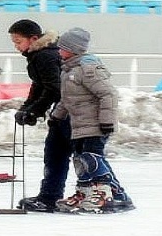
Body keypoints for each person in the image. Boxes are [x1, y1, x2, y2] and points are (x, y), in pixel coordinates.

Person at [50, 27, 134, 213]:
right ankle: (86, 192)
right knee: (80, 159)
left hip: (95, 124)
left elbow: (108, 94)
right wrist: (57, 116)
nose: (58, 50)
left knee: (92, 157)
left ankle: (105, 193)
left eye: (62, 47)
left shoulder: (88, 69)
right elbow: (67, 99)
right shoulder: (68, 70)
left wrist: (106, 121)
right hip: (79, 125)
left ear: (73, 49)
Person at [8, 19, 73, 212]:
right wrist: (27, 108)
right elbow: (38, 86)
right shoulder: (39, 55)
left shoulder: (45, 56)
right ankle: (50, 196)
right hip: (61, 111)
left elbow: (54, 89)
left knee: (78, 154)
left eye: (18, 42)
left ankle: (110, 193)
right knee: (54, 152)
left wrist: (34, 111)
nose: (16, 47)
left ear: (33, 38)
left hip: (72, 112)